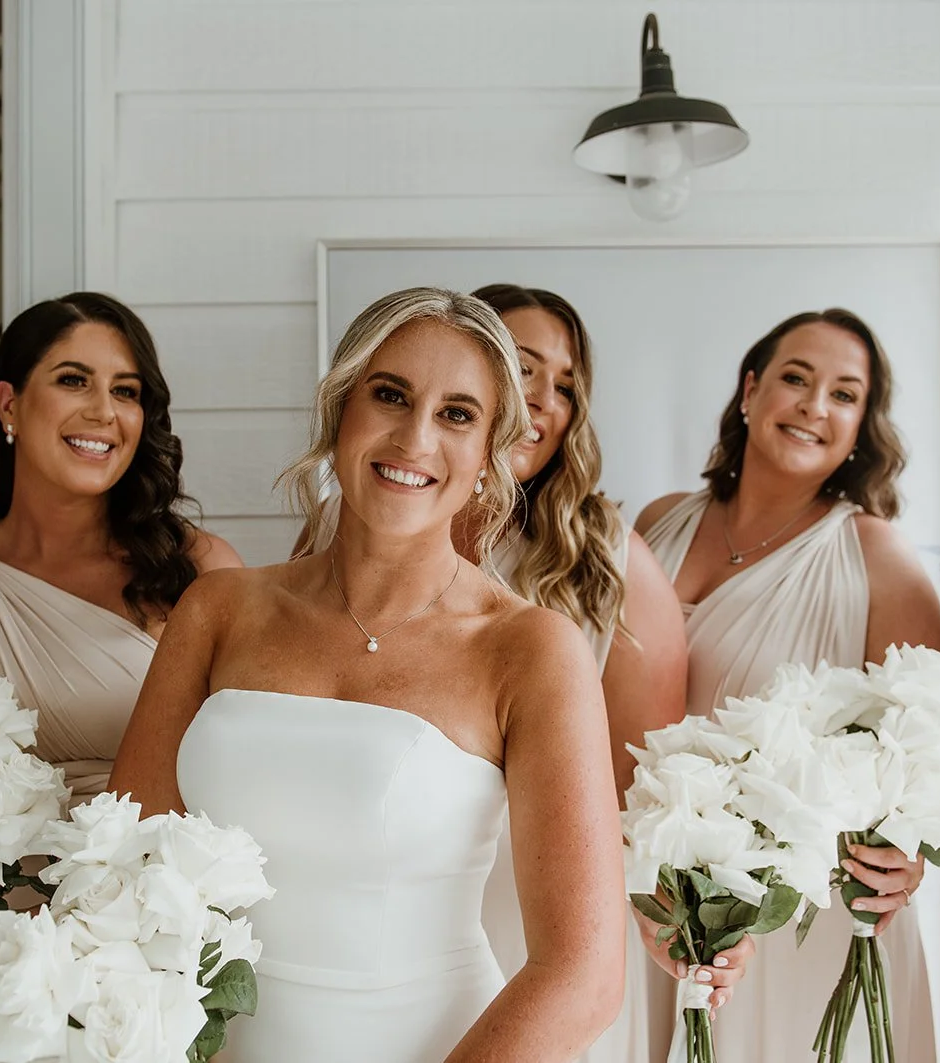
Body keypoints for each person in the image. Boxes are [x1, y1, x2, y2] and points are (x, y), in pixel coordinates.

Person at [111, 287, 626, 1062]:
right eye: (390, 395)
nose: (416, 436)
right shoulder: (218, 609)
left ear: (489, 454)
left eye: (457, 414)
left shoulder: (530, 648)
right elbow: (126, 867)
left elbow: (583, 972)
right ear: (339, 413)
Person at [296, 283, 735, 1062]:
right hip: (379, 905)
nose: (544, 400)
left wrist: (682, 914)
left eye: (566, 385)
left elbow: (649, 788)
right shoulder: (339, 536)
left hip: (544, 913)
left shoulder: (610, 562)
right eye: (524, 370)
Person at [0, 292, 240, 1060]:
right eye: (75, 379)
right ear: (10, 402)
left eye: (127, 390)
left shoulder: (197, 573)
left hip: (138, 957)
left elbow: (241, 776)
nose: (104, 410)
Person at [635, 308, 940, 1062]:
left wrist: (912, 854)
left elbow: (930, 755)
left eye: (844, 394)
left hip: (801, 911)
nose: (814, 406)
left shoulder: (878, 556)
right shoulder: (657, 523)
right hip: (658, 893)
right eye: (796, 379)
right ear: (750, 390)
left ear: (861, 424)